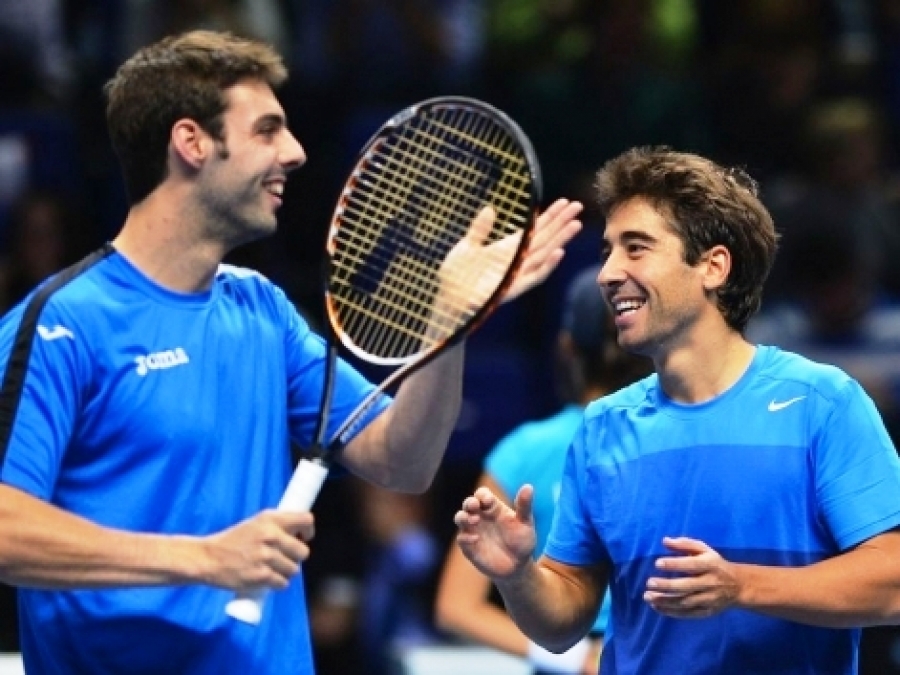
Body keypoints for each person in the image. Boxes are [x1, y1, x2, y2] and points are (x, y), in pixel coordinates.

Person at [0, 30, 583, 675]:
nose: (296, 152)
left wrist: (449, 329)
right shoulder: (62, 324)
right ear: (191, 142)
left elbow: (402, 461)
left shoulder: (263, 311)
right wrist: (202, 559)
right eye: (267, 130)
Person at [454, 146, 900, 675]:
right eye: (607, 251)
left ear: (713, 266)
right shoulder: (601, 427)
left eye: (636, 248)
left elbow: (892, 582)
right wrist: (518, 575)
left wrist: (741, 585)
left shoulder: (822, 402)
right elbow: (561, 623)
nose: (607, 274)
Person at [435, 263, 650, 675]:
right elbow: (456, 607)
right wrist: (583, 661)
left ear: (567, 348)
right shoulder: (689, 436)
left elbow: (456, 606)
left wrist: (575, 662)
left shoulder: (522, 450)